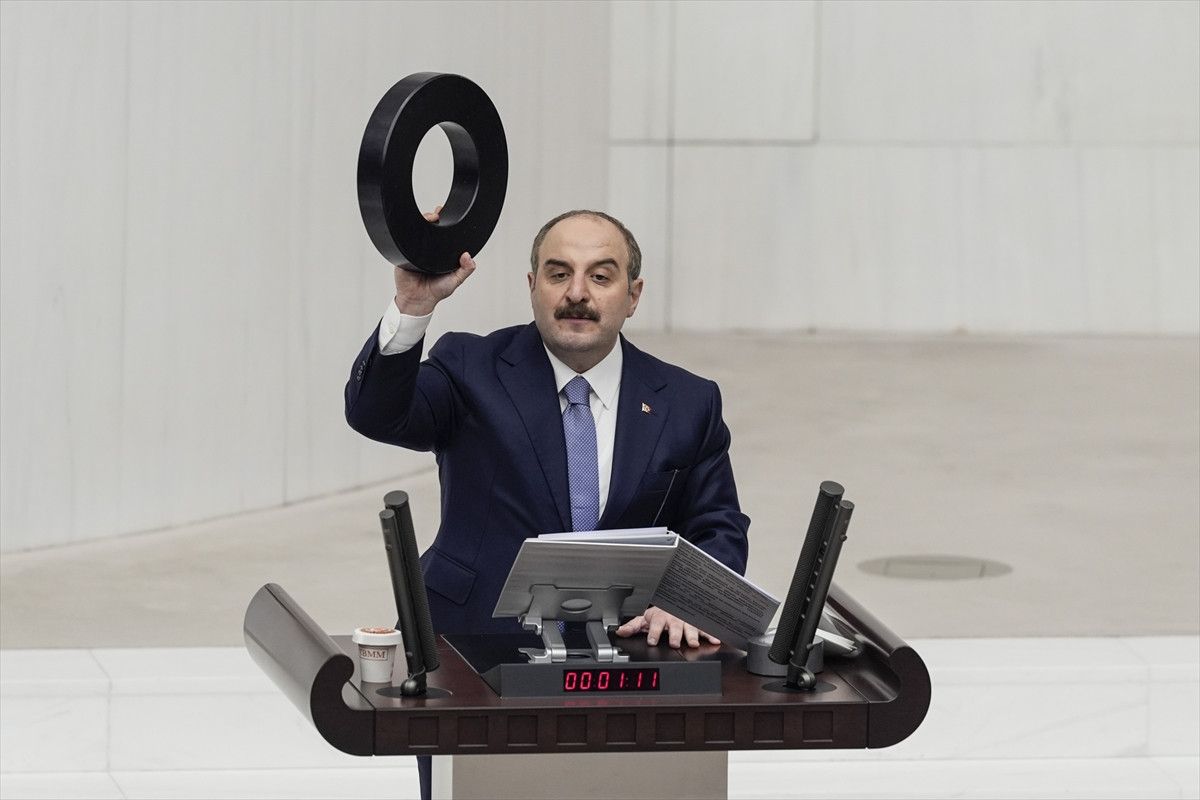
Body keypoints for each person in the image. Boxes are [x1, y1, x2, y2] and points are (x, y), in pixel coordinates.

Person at [346, 208, 749, 797]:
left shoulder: (688, 401)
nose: (577, 293)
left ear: (633, 295)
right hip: (474, 649)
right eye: (559, 274)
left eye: (601, 276)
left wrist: (689, 603)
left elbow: (719, 526)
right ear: (532, 286)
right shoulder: (470, 368)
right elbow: (376, 413)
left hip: (632, 666)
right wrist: (413, 306)